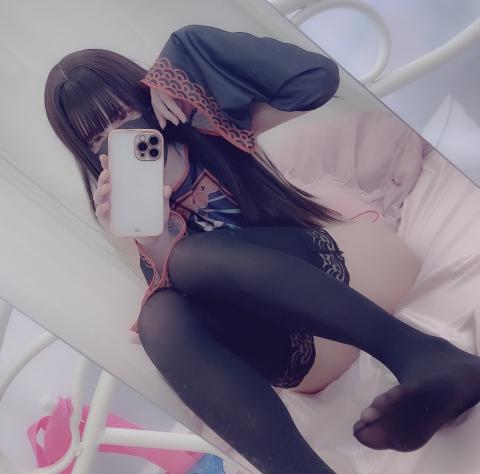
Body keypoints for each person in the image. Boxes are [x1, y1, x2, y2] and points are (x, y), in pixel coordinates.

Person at [44, 24, 480, 474]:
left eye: (124, 115)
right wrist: (149, 240)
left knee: (190, 257)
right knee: (159, 314)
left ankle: (422, 355)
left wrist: (183, 52)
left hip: (358, 275)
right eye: (97, 137)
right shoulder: (119, 214)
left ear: (145, 97)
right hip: (303, 353)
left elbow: (316, 78)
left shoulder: (209, 125)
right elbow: (181, 298)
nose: (119, 136)